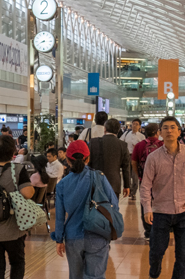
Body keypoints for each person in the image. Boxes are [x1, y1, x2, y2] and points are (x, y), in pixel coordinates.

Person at [142, 116, 185, 279]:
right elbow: (146, 185)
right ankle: (154, 275)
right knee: (156, 253)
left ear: (179, 131)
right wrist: (147, 208)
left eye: (172, 127)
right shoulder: (153, 158)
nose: (169, 130)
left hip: (184, 212)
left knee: (183, 255)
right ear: (160, 132)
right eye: (165, 128)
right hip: (161, 212)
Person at [52, 140, 118, 279]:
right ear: (88, 158)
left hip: (73, 237)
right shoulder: (99, 177)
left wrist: (59, 239)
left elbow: (59, 216)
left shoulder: (62, 184)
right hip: (97, 235)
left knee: (75, 276)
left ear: (68, 161)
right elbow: (114, 204)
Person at [0, 135, 34, 279]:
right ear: (13, 152)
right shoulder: (18, 169)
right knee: (17, 263)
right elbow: (28, 193)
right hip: (12, 229)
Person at [131, 123, 163, 240]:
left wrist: (139, 175)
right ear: (157, 132)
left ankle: (148, 231)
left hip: (145, 179)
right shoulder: (162, 145)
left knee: (145, 202)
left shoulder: (139, 145)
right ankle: (161, 228)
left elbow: (134, 162)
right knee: (160, 203)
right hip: (161, 180)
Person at [88, 119, 131, 198]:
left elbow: (88, 163)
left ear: (105, 128)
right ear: (118, 130)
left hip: (95, 182)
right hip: (114, 183)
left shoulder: (93, 142)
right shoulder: (123, 145)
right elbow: (126, 167)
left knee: (95, 208)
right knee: (112, 208)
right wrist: (127, 185)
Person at [120, 118, 146, 199]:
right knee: (128, 174)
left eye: (136, 124)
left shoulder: (142, 136)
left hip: (136, 157)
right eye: (133, 124)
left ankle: (133, 192)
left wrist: (138, 148)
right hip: (128, 156)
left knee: (135, 176)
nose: (134, 125)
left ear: (139, 126)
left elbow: (144, 147)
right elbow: (120, 142)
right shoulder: (126, 134)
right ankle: (129, 189)